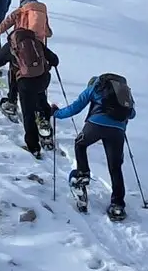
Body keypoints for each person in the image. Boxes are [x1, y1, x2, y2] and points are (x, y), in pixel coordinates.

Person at [51, 73, 137, 220]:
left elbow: (75, 108)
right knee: (115, 167)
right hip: (117, 131)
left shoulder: (95, 87)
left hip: (96, 124)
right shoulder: (123, 90)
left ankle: (83, 174)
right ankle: (117, 205)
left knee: (80, 144)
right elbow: (132, 114)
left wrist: (56, 113)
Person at [0, 0, 57, 157]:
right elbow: (54, 54)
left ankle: (33, 146)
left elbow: (3, 28)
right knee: (40, 95)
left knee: (27, 110)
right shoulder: (41, 15)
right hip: (42, 73)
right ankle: (44, 122)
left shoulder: (13, 41)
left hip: (24, 79)